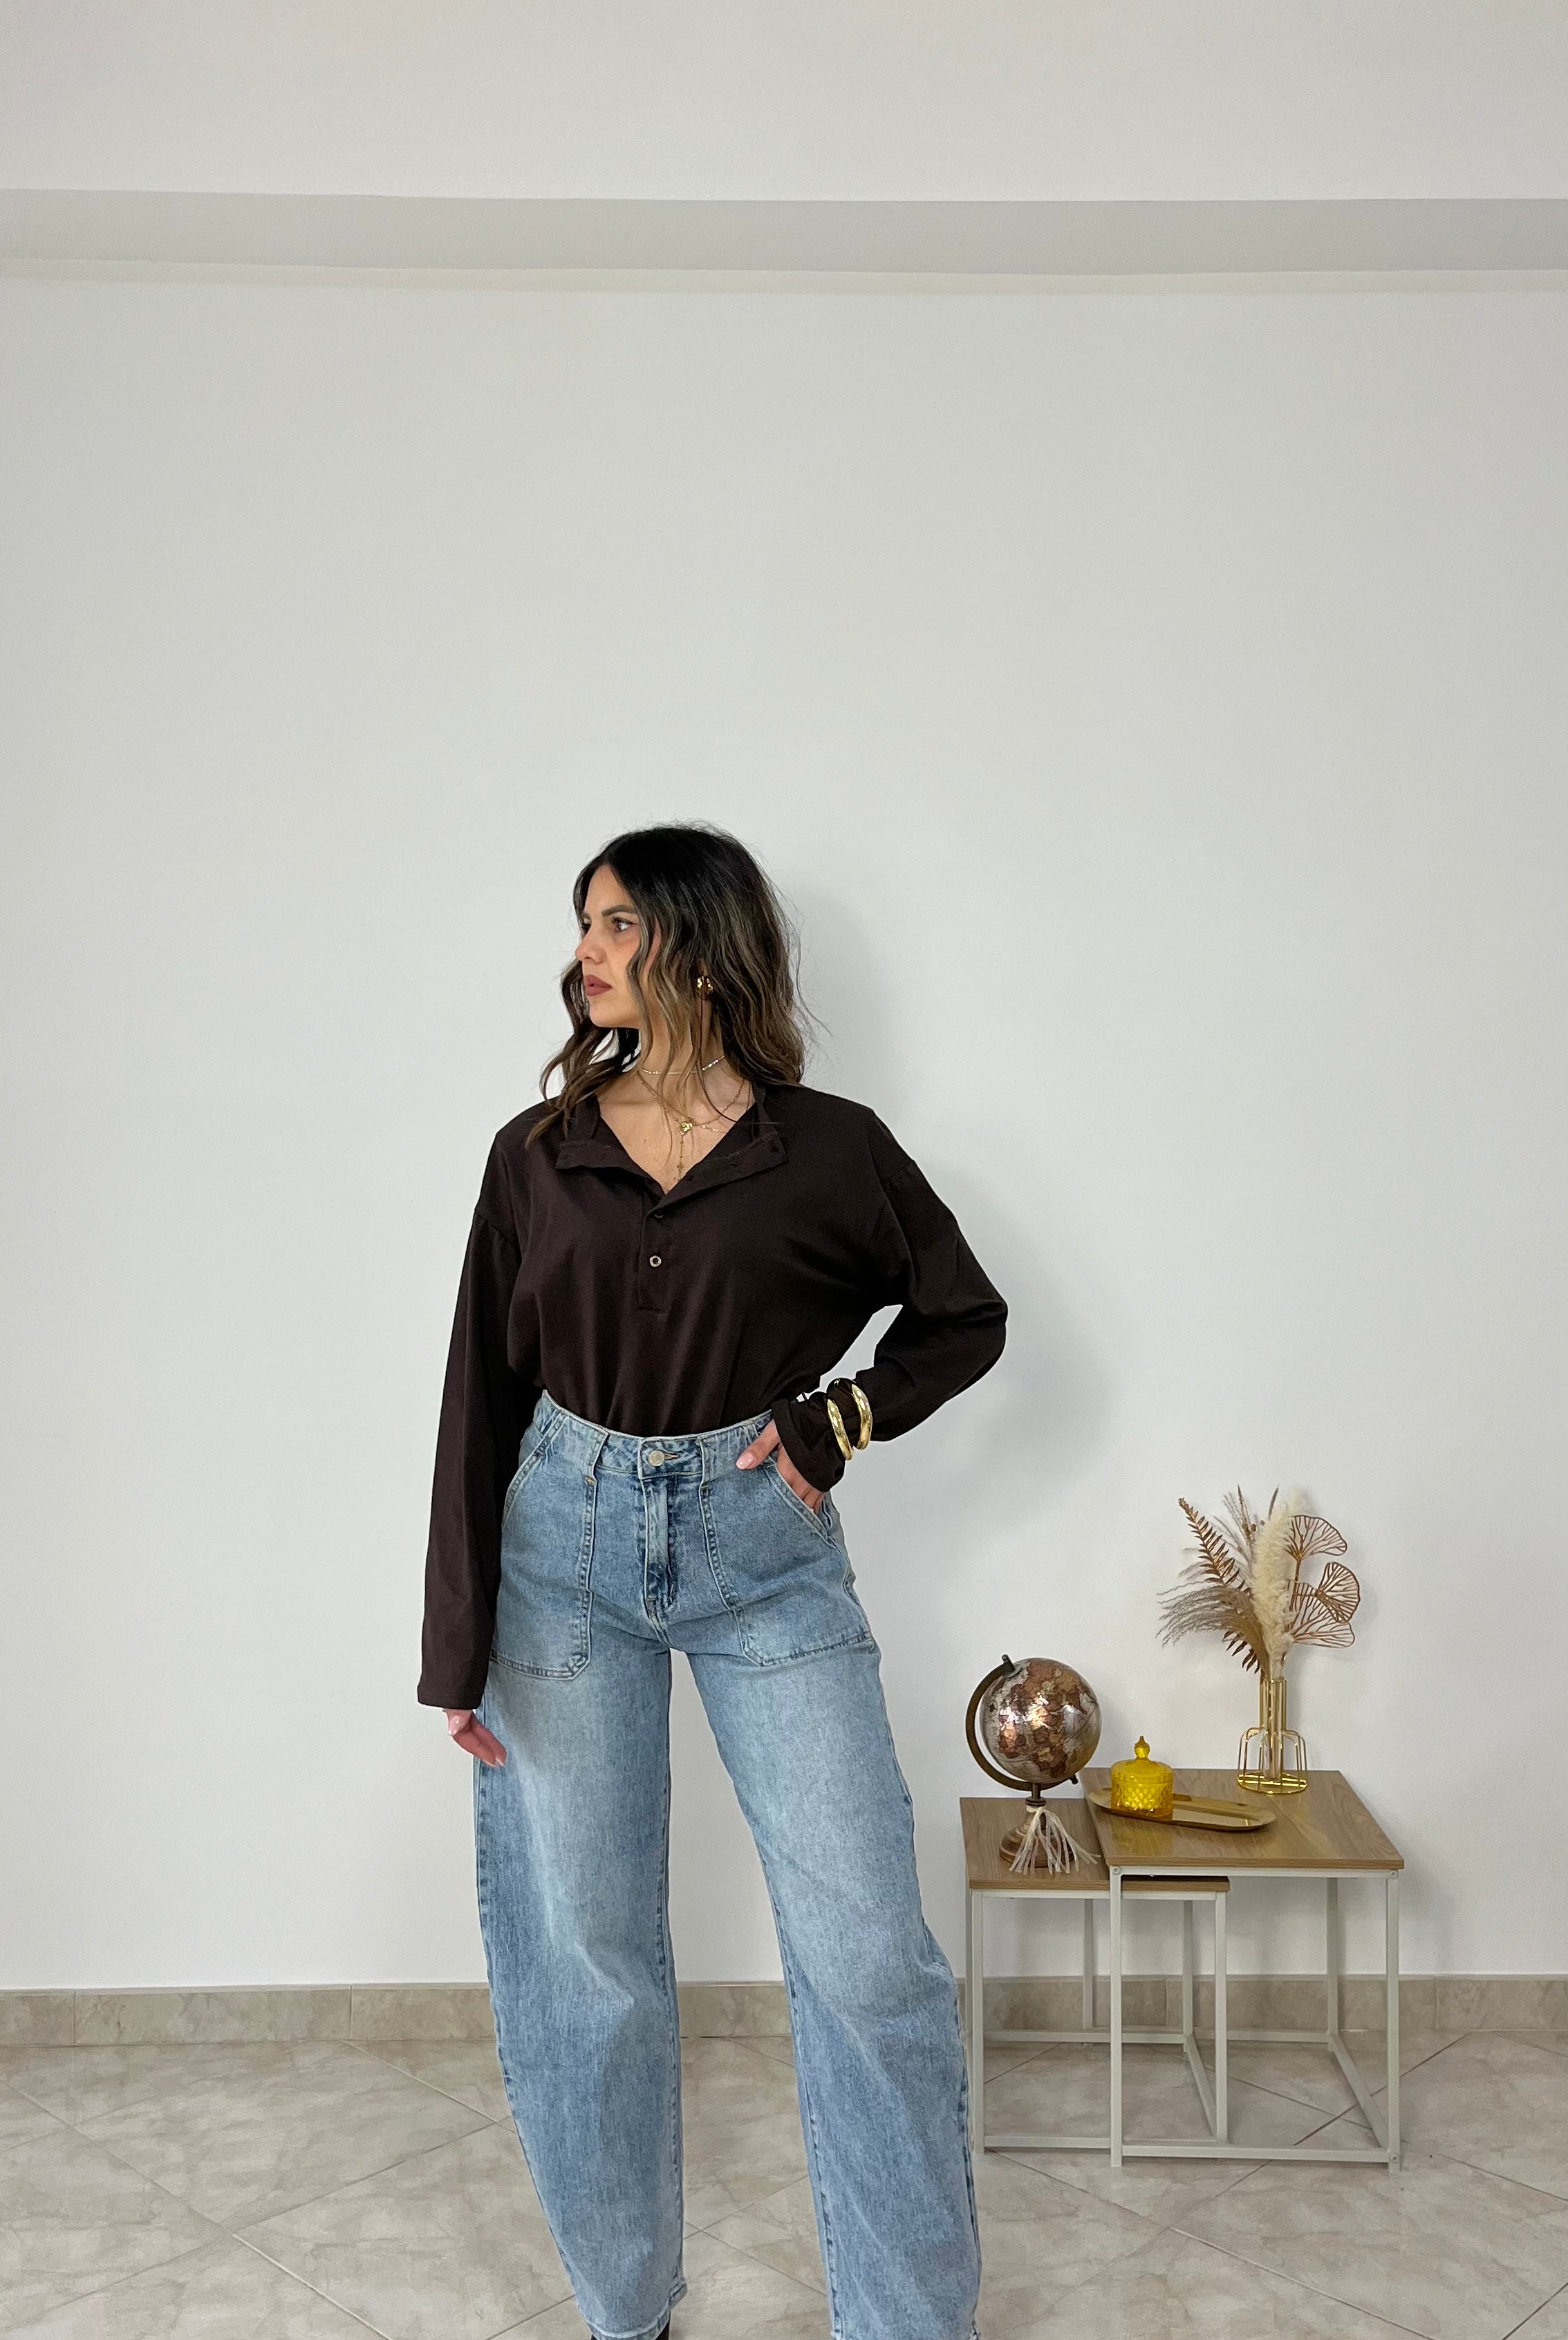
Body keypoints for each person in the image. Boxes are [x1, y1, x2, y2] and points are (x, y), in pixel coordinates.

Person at [419, 823, 1007, 2340]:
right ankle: (630, 2310)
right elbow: (480, 1397)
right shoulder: (537, 1154)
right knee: (592, 1963)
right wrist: (455, 1646)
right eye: (584, 925)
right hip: (562, 1558)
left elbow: (963, 1315)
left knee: (869, 1954)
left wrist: (838, 1420)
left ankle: (910, 2323)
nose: (586, 952)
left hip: (765, 1563)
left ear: (696, 939)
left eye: (616, 923)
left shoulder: (832, 1149)